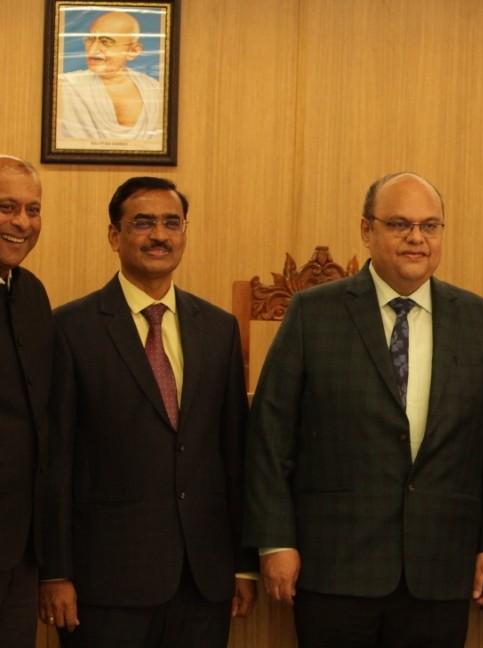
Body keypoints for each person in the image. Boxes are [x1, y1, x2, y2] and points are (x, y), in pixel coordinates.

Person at [244, 172, 483, 648]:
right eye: (399, 224)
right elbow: (270, 433)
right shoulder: (314, 312)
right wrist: (275, 540)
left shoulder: (480, 319)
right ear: (366, 230)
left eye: (430, 226)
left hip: (441, 567)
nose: (417, 238)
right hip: (335, 566)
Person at [38, 177, 255, 646]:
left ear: (184, 233)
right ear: (114, 236)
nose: (159, 235)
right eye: (143, 223)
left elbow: (235, 455)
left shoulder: (218, 329)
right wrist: (56, 572)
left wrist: (243, 564)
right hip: (105, 584)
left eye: (172, 223)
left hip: (203, 580)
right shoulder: (70, 329)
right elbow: (56, 461)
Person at [0, 156, 51, 648]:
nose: (22, 222)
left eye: (32, 210)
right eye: (6, 207)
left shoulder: (32, 293)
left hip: (21, 547)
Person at [57, 11, 163, 142]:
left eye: (105, 42)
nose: (92, 50)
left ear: (133, 51)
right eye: (90, 40)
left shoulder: (154, 90)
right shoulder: (65, 87)